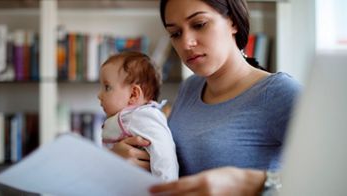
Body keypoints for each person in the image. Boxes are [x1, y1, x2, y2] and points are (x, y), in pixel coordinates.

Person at [110, 0, 301, 195]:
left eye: (199, 24)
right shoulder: (190, 88)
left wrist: (255, 182)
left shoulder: (279, 92)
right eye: (176, 33)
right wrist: (126, 158)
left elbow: (329, 177)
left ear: (233, 21)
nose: (186, 43)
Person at [97, 51, 179, 181]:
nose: (99, 95)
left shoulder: (143, 116)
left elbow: (164, 152)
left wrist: (166, 187)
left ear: (133, 94)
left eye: (107, 87)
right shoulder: (125, 117)